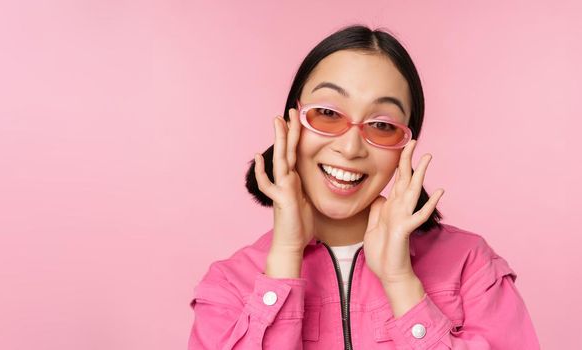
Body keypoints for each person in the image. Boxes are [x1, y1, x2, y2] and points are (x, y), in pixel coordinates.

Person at [188, 24, 540, 349]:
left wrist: (402, 283)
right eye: (327, 113)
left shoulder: (471, 266)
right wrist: (284, 258)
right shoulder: (229, 286)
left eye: (381, 125)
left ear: (406, 146)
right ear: (291, 122)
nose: (351, 147)